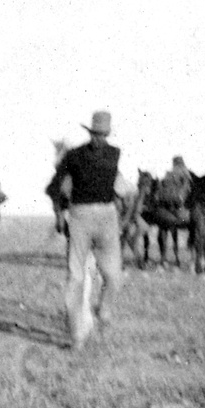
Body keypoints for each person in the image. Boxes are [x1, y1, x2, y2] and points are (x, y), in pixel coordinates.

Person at [51, 110, 131, 350]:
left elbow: (119, 187)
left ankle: (104, 310)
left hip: (107, 216)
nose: (98, 138)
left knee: (114, 275)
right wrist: (60, 214)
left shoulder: (114, 154)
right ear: (90, 133)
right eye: (95, 134)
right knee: (76, 276)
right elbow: (58, 187)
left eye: (102, 134)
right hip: (80, 217)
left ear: (107, 134)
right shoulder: (74, 156)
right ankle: (77, 335)